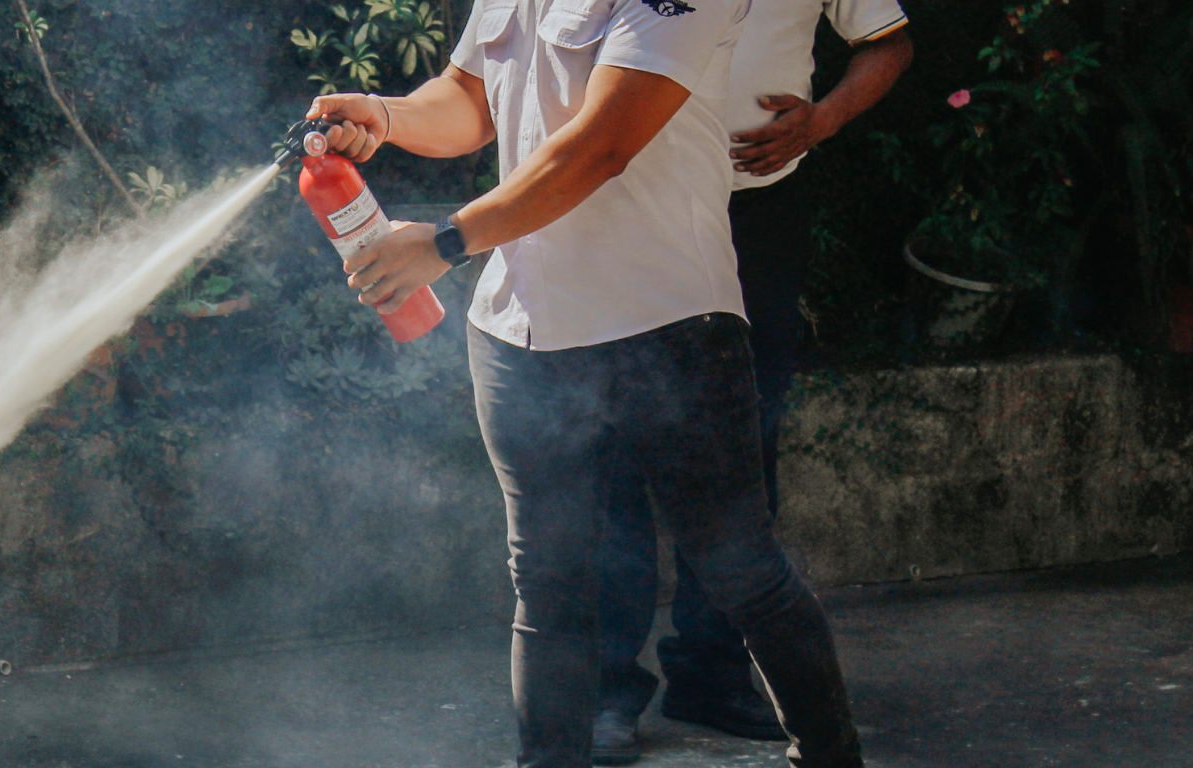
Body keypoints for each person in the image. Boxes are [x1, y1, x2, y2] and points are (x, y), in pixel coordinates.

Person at [306, 0, 867, 764]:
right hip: (521, 329)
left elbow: (602, 145)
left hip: (669, 324)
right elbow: (468, 101)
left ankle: (831, 758)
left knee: (740, 569)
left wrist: (445, 241)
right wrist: (383, 114)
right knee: (549, 589)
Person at [592, 1, 914, 762]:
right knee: (609, 447)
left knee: (744, 440)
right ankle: (605, 689)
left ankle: (711, 672)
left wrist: (823, 119)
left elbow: (890, 45)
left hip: (755, 211)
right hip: (625, 204)